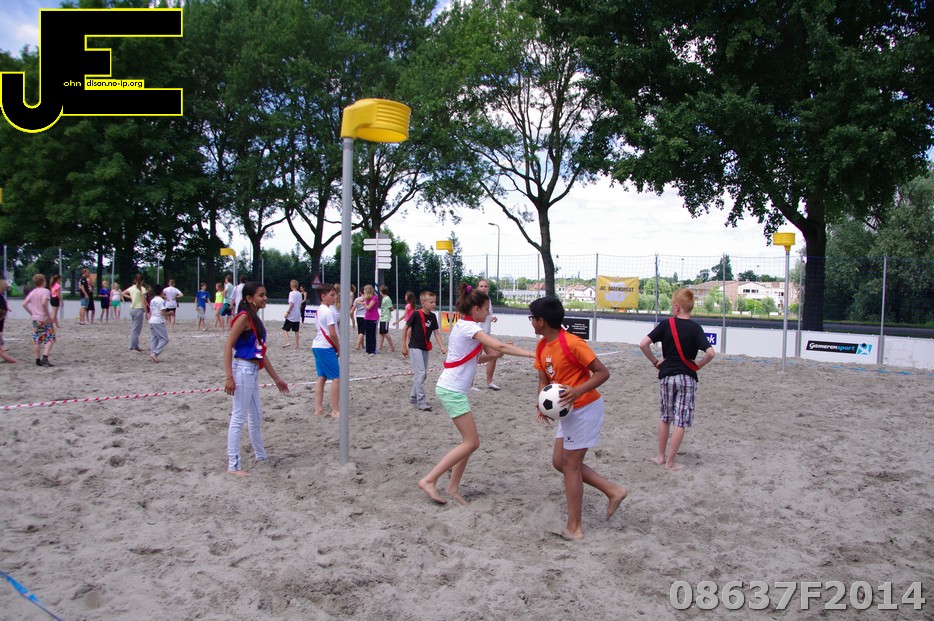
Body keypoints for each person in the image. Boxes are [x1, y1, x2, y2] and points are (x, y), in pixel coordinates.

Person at [418, 282, 535, 506]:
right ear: (476, 309)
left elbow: (475, 359)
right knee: (471, 442)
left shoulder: (464, 325)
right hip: (452, 390)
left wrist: (494, 356)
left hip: (452, 389)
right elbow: (501, 346)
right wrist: (531, 354)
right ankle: (429, 480)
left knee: (468, 442)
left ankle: (452, 487)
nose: (488, 312)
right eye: (487, 309)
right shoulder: (470, 327)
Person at [531, 296, 628, 540]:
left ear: (541, 321)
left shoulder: (572, 343)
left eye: (532, 318)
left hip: (585, 408)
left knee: (571, 466)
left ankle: (575, 527)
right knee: (559, 462)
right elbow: (544, 380)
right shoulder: (542, 346)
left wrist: (577, 391)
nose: (531, 322)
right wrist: (542, 403)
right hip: (566, 411)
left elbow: (602, 372)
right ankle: (613, 490)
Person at [639, 288, 716, 472]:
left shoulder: (666, 324)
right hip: (687, 378)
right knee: (680, 421)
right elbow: (711, 353)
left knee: (665, 417)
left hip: (667, 376)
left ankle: (660, 456)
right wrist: (699, 365)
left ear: (676, 307)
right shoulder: (696, 328)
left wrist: (656, 362)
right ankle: (670, 463)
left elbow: (643, 344)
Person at [223, 281, 289, 476]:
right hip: (243, 370)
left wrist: (277, 379)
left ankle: (260, 455)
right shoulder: (244, 317)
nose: (265, 298)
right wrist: (229, 377)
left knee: (255, 416)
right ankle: (233, 466)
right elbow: (228, 346)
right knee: (238, 418)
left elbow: (261, 353)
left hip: (250, 371)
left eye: (265, 294)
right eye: (261, 295)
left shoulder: (253, 318)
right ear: (249, 298)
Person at [402, 291, 446, 411]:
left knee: (423, 374)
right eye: (431, 302)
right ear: (423, 303)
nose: (434, 304)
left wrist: (441, 346)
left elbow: (436, 332)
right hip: (415, 347)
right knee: (421, 373)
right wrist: (404, 346)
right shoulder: (416, 314)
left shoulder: (432, 317)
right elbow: (405, 329)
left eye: (434, 302)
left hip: (425, 348)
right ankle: (421, 401)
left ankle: (413, 396)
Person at [312, 283, 340, 418]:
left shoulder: (319, 310)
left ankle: (318, 408)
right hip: (326, 347)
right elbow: (332, 333)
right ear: (323, 296)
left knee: (321, 377)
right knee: (336, 378)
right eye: (332, 295)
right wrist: (338, 347)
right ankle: (335, 410)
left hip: (317, 346)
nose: (334, 298)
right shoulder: (328, 312)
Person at [22, 273, 56, 367]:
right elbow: (44, 303)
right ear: (43, 281)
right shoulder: (45, 291)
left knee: (37, 339)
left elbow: (24, 304)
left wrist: (32, 313)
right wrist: (48, 315)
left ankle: (37, 359)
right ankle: (45, 357)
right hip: (43, 317)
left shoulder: (33, 292)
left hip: (35, 318)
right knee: (50, 337)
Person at [476, 279, 501, 390]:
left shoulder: (488, 300)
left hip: (486, 333)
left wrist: (491, 318)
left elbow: (485, 315)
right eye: (481, 286)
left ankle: (489, 382)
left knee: (494, 355)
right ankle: (470, 384)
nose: (483, 288)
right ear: (477, 287)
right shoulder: (475, 299)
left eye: (485, 286)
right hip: (477, 333)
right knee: (474, 359)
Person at [122, 273, 146, 351]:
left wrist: (131, 297)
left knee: (135, 328)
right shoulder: (142, 289)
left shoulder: (132, 288)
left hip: (132, 309)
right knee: (136, 329)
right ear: (142, 280)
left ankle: (135, 345)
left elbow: (122, 293)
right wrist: (146, 311)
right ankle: (132, 345)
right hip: (139, 309)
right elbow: (143, 301)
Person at [148, 283, 169, 363]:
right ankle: (155, 353)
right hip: (158, 321)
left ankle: (153, 355)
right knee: (164, 339)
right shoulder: (161, 301)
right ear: (161, 292)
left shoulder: (152, 300)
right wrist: (169, 313)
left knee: (154, 338)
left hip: (152, 320)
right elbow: (163, 313)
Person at [0, 279, 17, 363]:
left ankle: (1, 348)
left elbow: (3, 305)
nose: (4, 291)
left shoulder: (1, 295)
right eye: (3, 289)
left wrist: (7, 309)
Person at [282, 279, 302, 349]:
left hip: (292, 314)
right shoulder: (300, 294)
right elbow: (300, 304)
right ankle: (297, 345)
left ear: (291, 286)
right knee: (296, 330)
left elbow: (292, 304)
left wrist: (288, 312)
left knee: (285, 329)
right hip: (297, 313)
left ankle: (287, 341)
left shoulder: (291, 293)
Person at [362, 284, 379, 356]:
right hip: (367, 317)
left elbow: (369, 307)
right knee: (368, 334)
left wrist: (365, 304)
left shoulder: (374, 298)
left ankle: (372, 350)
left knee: (372, 334)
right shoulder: (367, 298)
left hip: (373, 318)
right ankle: (368, 350)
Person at [378, 285, 395, 352]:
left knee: (385, 332)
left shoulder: (387, 299)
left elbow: (391, 308)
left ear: (381, 291)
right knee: (381, 333)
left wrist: (386, 312)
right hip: (382, 318)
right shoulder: (384, 298)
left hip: (385, 318)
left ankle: (392, 346)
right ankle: (379, 347)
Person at [352, 285, 367, 350]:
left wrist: (349, 314)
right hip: (365, 316)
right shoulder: (368, 299)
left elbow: (353, 308)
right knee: (362, 332)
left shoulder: (357, 299)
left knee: (360, 330)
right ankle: (358, 345)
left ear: (360, 292)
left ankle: (362, 345)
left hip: (358, 316)